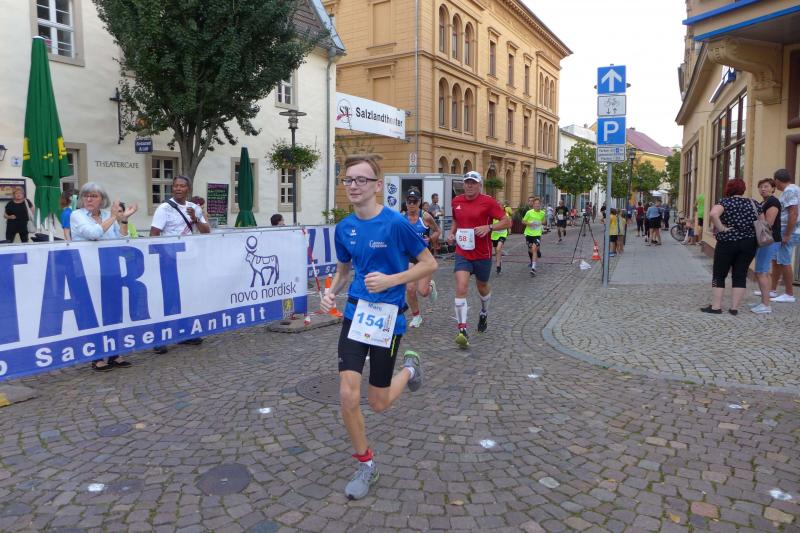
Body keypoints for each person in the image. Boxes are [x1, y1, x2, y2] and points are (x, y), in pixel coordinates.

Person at [319, 154, 435, 500]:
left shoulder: (396, 223)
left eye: (362, 180)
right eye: (348, 180)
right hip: (356, 315)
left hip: (388, 318)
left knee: (379, 403)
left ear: (377, 185)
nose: (353, 186)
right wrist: (330, 293)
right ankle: (366, 464)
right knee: (347, 394)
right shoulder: (344, 228)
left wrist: (392, 280)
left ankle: (410, 371)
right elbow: (343, 271)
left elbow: (429, 264)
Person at [70, 182, 138, 371]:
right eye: (86, 195)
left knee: (113, 312)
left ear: (102, 199)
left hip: (110, 270)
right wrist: (114, 217)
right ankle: (97, 355)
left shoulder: (108, 215)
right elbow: (93, 234)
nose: (89, 199)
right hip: (88, 272)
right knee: (93, 314)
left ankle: (114, 352)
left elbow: (122, 240)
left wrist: (123, 220)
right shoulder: (77, 215)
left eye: (94, 196)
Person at [447, 171, 510, 348]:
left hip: (482, 254)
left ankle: (484, 312)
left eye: (473, 182)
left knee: (482, 286)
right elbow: (456, 221)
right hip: (462, 252)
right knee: (461, 287)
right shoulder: (456, 201)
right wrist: (451, 234)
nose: (469, 185)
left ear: (479, 185)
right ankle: (462, 330)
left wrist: (489, 227)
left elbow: (507, 222)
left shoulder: (488, 202)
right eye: (467, 182)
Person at [150, 175, 211, 354]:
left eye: (182, 186)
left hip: (189, 259)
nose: (178, 188)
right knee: (169, 298)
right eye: (175, 185)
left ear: (188, 189)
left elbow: (206, 231)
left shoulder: (194, 208)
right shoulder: (164, 208)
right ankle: (159, 337)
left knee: (187, 297)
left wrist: (196, 218)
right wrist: (162, 255)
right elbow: (154, 233)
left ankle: (184, 332)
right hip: (170, 260)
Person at [701, 178, 758, 315]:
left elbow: (713, 214)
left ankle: (716, 307)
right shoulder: (753, 203)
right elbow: (762, 222)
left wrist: (721, 228)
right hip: (749, 243)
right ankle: (734, 308)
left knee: (719, 274)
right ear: (743, 189)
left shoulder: (725, 202)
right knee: (740, 274)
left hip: (727, 242)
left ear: (728, 189)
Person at [404, 187, 440, 327]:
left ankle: (431, 286)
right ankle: (416, 316)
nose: (411, 204)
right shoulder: (401, 218)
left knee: (423, 292)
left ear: (419, 202)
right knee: (410, 288)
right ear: (406, 202)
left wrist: (429, 239)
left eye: (414, 201)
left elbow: (437, 231)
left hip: (425, 258)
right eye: (409, 201)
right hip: (410, 258)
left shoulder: (425, 217)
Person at [768, 168, 800, 304]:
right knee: (777, 260)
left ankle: (789, 294)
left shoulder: (789, 191)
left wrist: (787, 234)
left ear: (777, 180)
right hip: (786, 230)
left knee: (784, 261)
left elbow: (793, 213)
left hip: (788, 230)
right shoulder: (794, 189)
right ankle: (772, 290)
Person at [751, 178, 782, 314]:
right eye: (761, 187)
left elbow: (768, 224)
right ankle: (765, 301)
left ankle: (765, 305)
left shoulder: (773, 202)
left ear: (773, 188)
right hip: (765, 241)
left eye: (766, 186)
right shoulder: (764, 202)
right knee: (765, 272)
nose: (763, 189)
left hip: (769, 240)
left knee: (761, 272)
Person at [522, 196, 546, 274]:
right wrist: (530, 223)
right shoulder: (529, 212)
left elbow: (544, 221)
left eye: (538, 203)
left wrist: (540, 222)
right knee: (530, 249)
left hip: (537, 234)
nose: (537, 205)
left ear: (540, 204)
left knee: (534, 248)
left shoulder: (542, 213)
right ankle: (536, 254)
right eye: (535, 204)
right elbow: (523, 221)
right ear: (533, 205)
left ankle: (533, 268)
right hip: (529, 234)